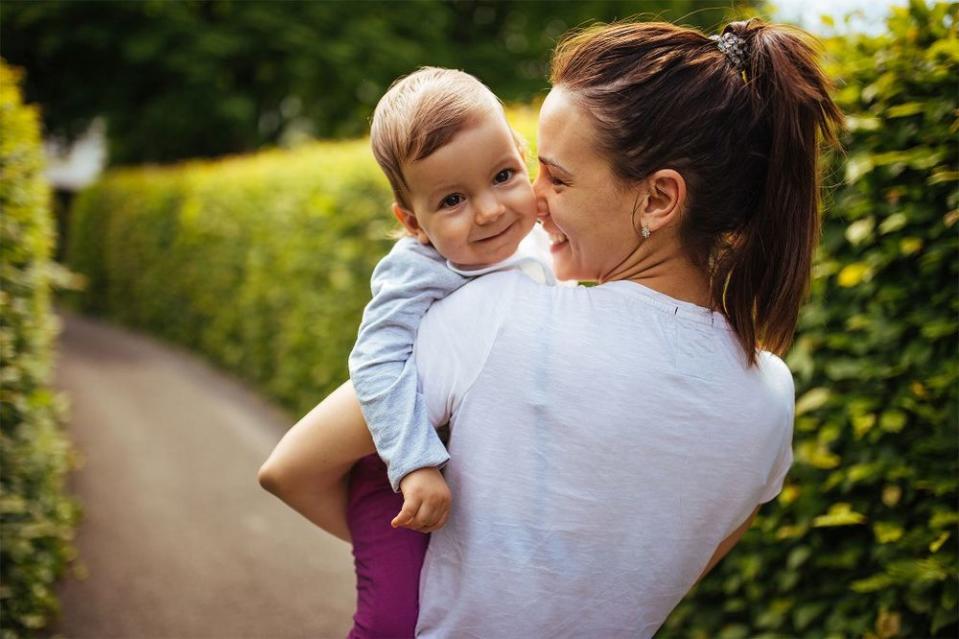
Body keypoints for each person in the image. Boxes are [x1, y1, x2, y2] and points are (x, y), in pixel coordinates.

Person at [259, 17, 842, 638]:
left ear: (659, 200)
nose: (532, 201)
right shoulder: (773, 401)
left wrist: (430, 561)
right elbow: (666, 569)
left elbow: (291, 467)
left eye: (557, 177)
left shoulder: (495, 316)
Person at [261, 66, 550, 638]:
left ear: (525, 159)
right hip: (397, 466)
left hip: (480, 466)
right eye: (452, 200)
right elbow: (376, 360)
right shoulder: (416, 269)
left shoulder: (545, 236)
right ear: (412, 221)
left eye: (502, 175)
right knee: (394, 620)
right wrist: (414, 461)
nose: (490, 210)